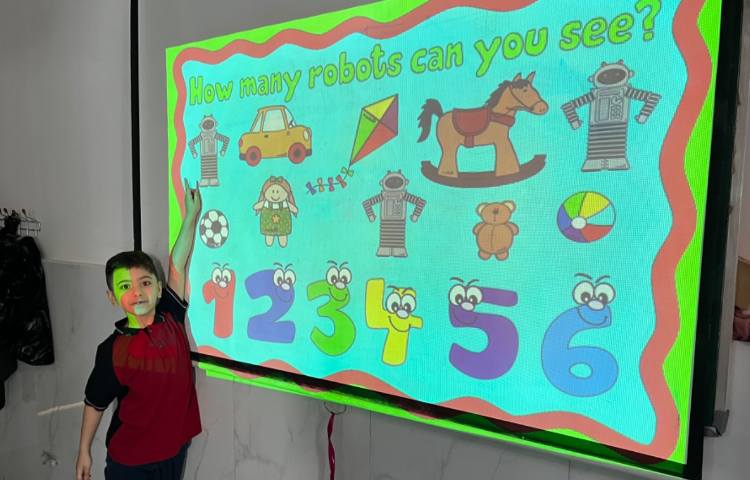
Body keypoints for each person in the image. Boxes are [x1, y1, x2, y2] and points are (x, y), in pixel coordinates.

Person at [75, 179, 202, 480]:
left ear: (158, 288)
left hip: (173, 451)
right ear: (112, 297)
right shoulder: (112, 351)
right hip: (130, 461)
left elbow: (177, 264)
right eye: (124, 287)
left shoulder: (170, 315)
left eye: (145, 283)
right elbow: (95, 403)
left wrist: (190, 217)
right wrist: (84, 450)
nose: (137, 293)